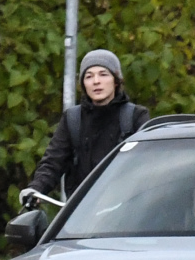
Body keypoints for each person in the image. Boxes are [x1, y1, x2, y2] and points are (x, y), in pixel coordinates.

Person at [21, 49, 150, 205]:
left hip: (125, 210)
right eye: (89, 76)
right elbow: (53, 162)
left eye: (103, 74)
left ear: (116, 80)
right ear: (83, 84)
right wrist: (36, 189)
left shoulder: (135, 116)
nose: (96, 81)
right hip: (82, 215)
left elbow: (147, 165)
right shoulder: (73, 119)